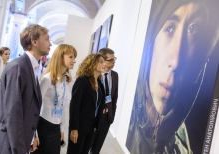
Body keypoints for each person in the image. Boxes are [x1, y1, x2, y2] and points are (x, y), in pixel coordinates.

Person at [126, 0, 219, 154]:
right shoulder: (119, 116)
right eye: (169, 28)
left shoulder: (185, 150)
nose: (175, 62)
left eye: (193, 29)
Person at [0, 24, 52, 154]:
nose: (50, 44)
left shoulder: (31, 67)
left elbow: (28, 108)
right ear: (34, 42)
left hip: (21, 141)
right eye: (46, 39)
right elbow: (13, 114)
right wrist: (19, 149)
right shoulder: (19, 67)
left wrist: (31, 137)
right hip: (11, 145)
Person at [31, 44, 77, 154]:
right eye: (71, 57)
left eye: (74, 57)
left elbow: (62, 107)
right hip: (43, 126)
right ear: (60, 57)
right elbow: (33, 108)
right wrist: (33, 135)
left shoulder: (65, 80)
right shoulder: (47, 79)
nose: (74, 61)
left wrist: (62, 129)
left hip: (56, 128)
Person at [67, 53, 106, 154]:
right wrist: (74, 128)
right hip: (79, 128)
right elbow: (75, 106)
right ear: (92, 63)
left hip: (91, 128)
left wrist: (96, 125)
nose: (104, 64)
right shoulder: (82, 81)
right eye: (101, 61)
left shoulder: (100, 84)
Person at [90, 48, 119, 154]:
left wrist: (112, 114)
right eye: (111, 60)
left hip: (107, 117)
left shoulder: (115, 75)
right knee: (88, 144)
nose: (114, 62)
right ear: (102, 60)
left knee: (97, 147)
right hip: (95, 117)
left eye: (114, 59)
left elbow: (114, 97)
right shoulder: (94, 75)